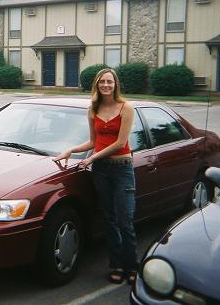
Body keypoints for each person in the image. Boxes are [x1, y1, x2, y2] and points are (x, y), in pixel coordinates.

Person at [53, 68, 138, 284]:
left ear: (115, 84)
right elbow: (92, 141)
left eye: (110, 81)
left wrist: (91, 159)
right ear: (97, 85)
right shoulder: (93, 109)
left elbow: (120, 143)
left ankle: (132, 266)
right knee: (109, 220)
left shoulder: (126, 107)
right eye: (102, 82)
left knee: (125, 220)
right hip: (101, 171)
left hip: (122, 168)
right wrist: (71, 151)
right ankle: (117, 265)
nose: (106, 85)